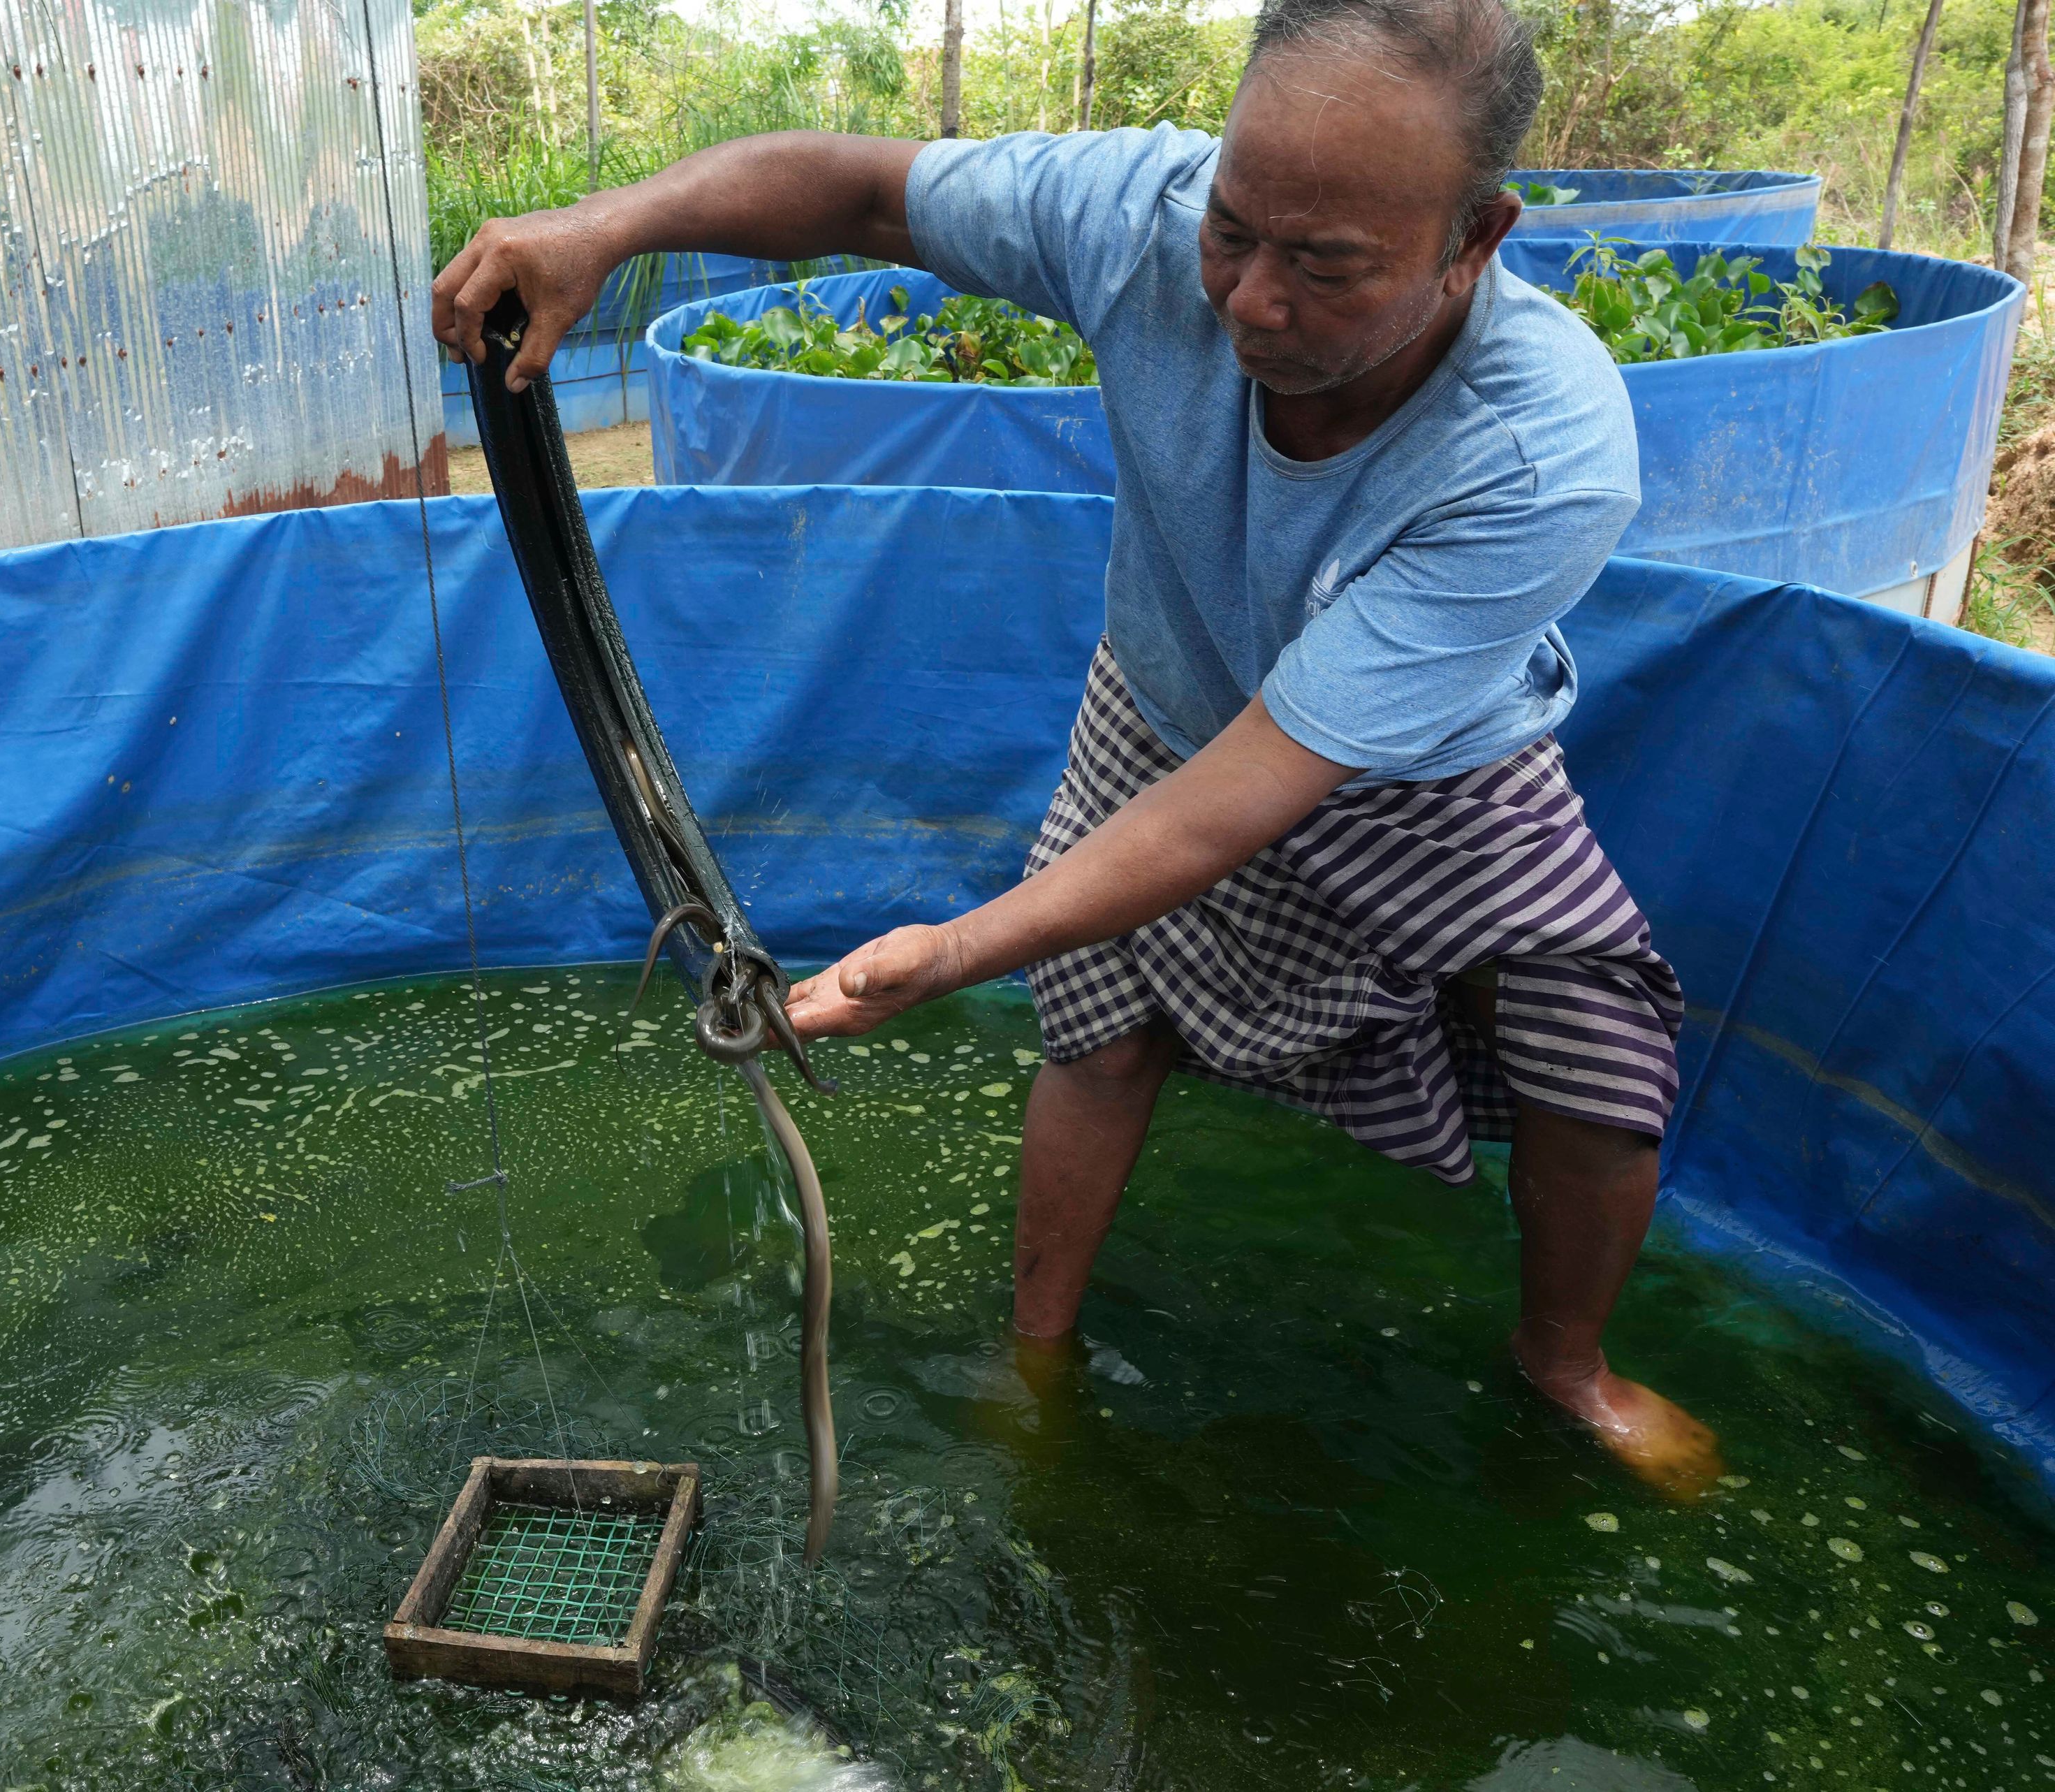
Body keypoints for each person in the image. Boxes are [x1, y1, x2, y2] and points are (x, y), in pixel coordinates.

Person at [434, 0, 1722, 1495]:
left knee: (1593, 1049)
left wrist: (949, 948)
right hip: (1166, 688)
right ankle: (1035, 1345)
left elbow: (1262, 778)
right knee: (1101, 1029)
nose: (1249, 299)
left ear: (1475, 238)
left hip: (1428, 758)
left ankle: (1567, 1361)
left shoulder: (1540, 446)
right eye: (1234, 230)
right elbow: (861, 188)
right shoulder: (1136, 213)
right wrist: (609, 223)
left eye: (1326, 265)